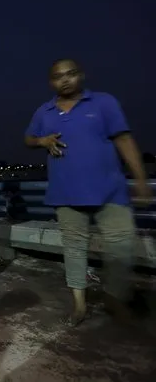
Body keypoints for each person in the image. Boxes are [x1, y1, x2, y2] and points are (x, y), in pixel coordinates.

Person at [24, 58, 151, 326]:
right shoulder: (44, 112)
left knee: (121, 245)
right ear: (51, 82)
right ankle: (79, 304)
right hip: (66, 193)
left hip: (111, 191)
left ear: (81, 75)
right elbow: (28, 138)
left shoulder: (104, 103)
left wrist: (140, 178)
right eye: (59, 76)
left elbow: (124, 140)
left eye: (71, 74)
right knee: (74, 249)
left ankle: (113, 297)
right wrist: (42, 141)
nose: (65, 80)